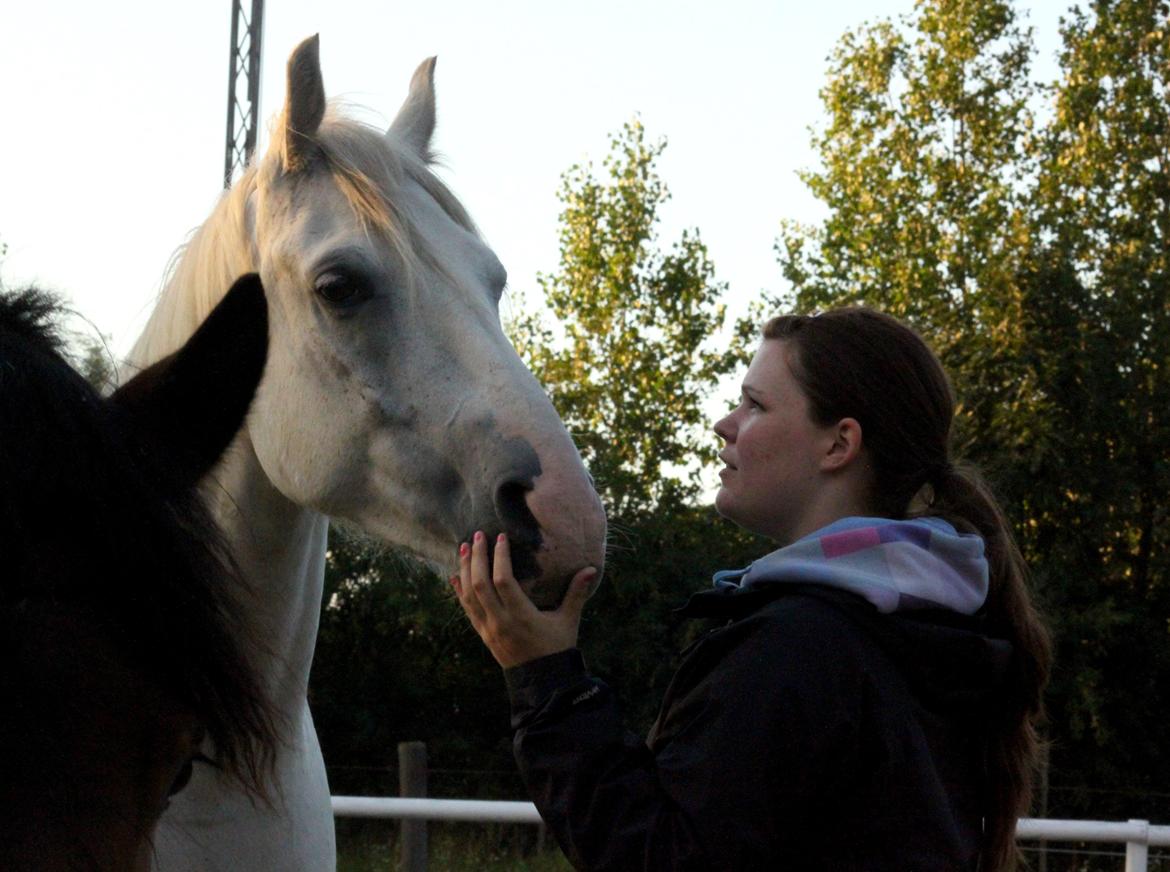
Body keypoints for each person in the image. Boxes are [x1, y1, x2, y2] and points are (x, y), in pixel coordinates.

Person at [453, 307, 1051, 871]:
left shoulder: (801, 649)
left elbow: (666, 859)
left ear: (839, 445)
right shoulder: (932, 630)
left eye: (755, 404)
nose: (725, 424)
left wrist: (546, 681)